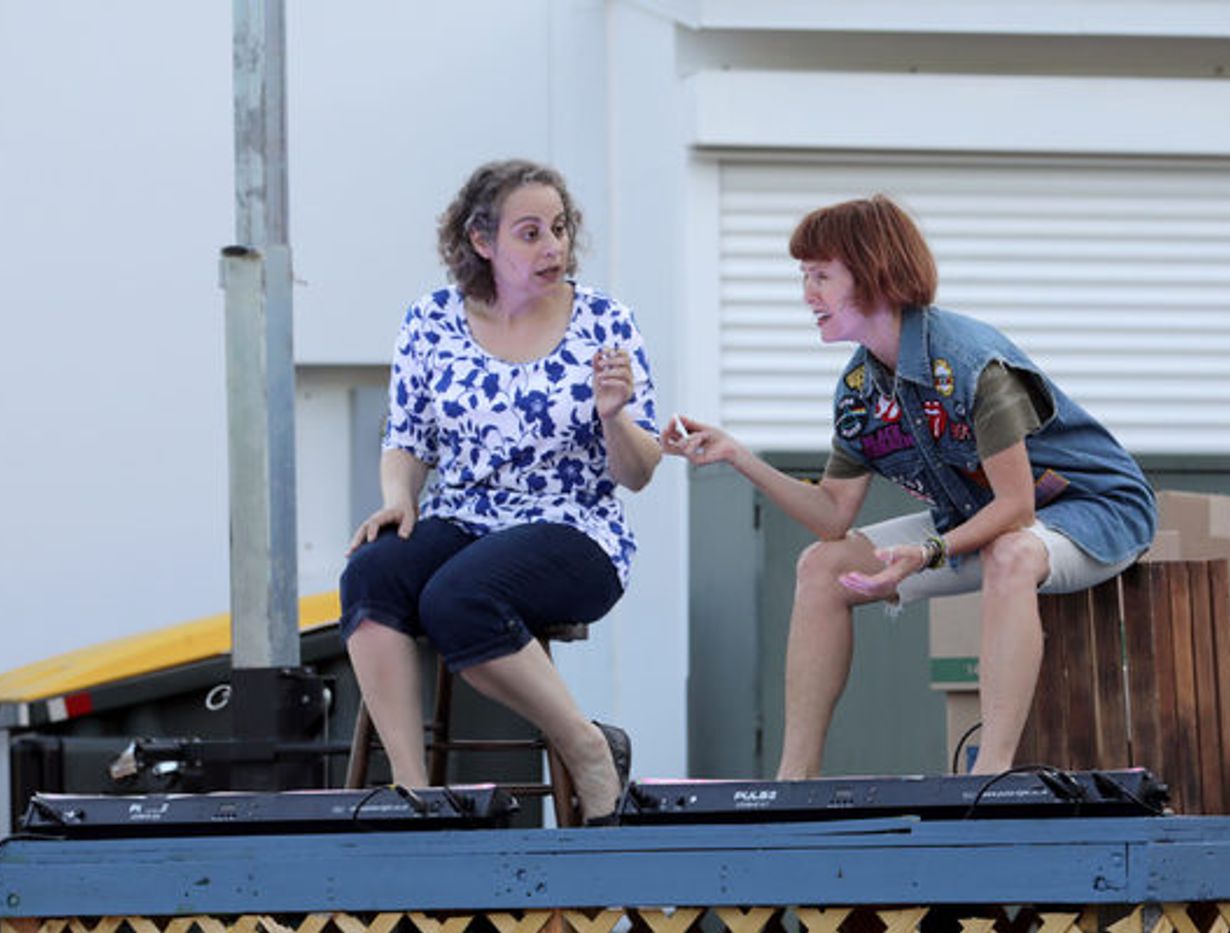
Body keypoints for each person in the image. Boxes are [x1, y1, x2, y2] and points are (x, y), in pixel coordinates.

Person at [664, 194, 1155, 778]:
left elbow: (1018, 507)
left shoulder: (972, 365)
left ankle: (988, 776)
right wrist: (739, 456)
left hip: (1089, 511)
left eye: (820, 276)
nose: (807, 295)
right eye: (804, 277)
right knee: (820, 566)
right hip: (971, 518)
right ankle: (794, 781)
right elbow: (831, 516)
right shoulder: (859, 388)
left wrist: (929, 552)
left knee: (1011, 552)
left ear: (873, 274)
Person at [340, 159, 661, 824]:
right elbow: (407, 436)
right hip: (464, 516)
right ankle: (414, 793)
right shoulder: (430, 320)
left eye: (560, 229)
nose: (553, 247)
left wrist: (613, 415)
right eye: (531, 233)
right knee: (371, 572)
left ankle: (587, 745)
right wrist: (399, 494)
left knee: (458, 596)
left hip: (576, 528)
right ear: (481, 241)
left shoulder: (605, 320)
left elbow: (639, 470)